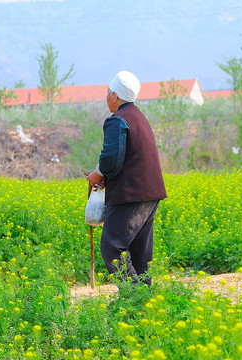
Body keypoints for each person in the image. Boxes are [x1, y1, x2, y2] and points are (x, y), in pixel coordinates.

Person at [86, 70, 167, 286]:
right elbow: (127, 158)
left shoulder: (117, 120)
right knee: (139, 254)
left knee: (113, 247)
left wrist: (98, 174)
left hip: (130, 195)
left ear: (114, 95)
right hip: (150, 193)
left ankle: (133, 298)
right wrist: (106, 176)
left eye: (107, 92)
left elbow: (111, 160)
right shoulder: (139, 116)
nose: (106, 97)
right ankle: (144, 308)